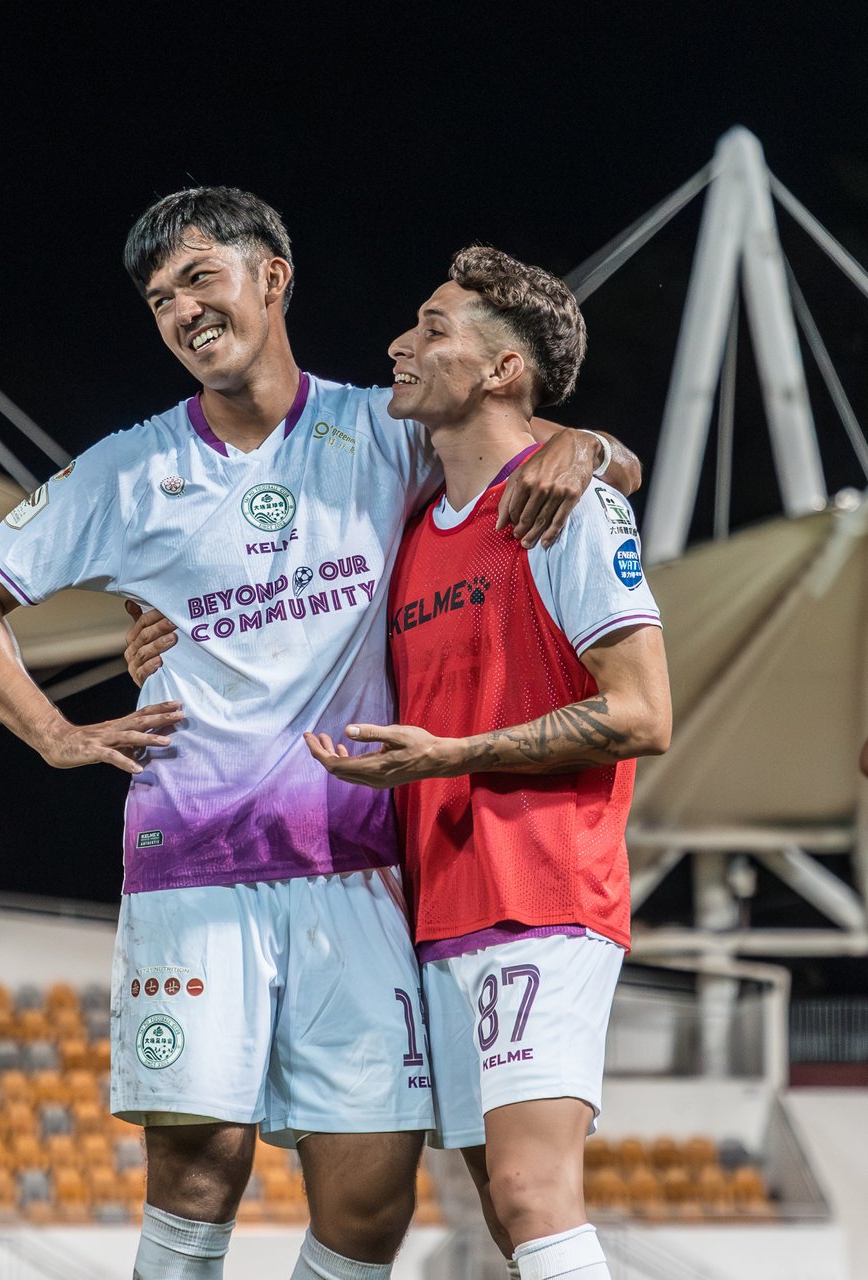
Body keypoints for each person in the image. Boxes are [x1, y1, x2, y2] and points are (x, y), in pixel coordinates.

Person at [0, 186, 641, 1280]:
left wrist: (590, 445)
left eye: (199, 277)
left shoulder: (380, 427)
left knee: (368, 1201)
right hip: (194, 869)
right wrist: (53, 735)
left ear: (272, 277)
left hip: (358, 871)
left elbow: (529, 447)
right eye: (161, 297)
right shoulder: (127, 469)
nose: (181, 309)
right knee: (199, 1176)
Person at [304, 247, 671, 1280]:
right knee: (504, 1215)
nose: (400, 344)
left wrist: (453, 756)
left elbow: (644, 711)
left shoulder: (564, 508)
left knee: (528, 1189)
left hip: (543, 889)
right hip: (439, 904)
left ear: (503, 369)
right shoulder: (420, 529)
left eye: (431, 326)